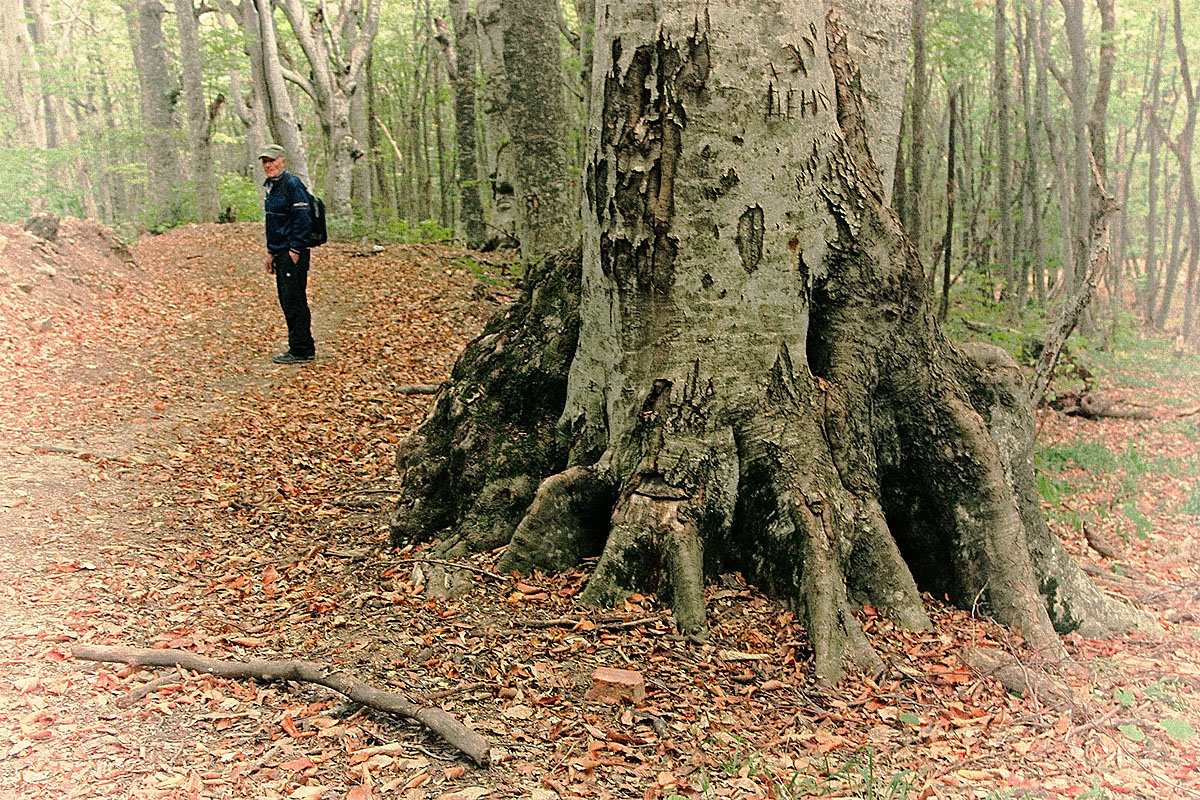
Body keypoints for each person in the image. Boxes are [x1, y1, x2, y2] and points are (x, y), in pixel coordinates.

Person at [259, 143, 316, 364]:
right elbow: (274, 223)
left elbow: (303, 219)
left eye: (272, 160)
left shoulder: (292, 185)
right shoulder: (271, 187)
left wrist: (295, 249)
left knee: (294, 300)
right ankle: (299, 346)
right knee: (287, 300)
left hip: (293, 253)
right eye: (265, 161)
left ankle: (301, 349)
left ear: (283, 161)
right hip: (280, 252)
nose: (268, 165)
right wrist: (271, 252)